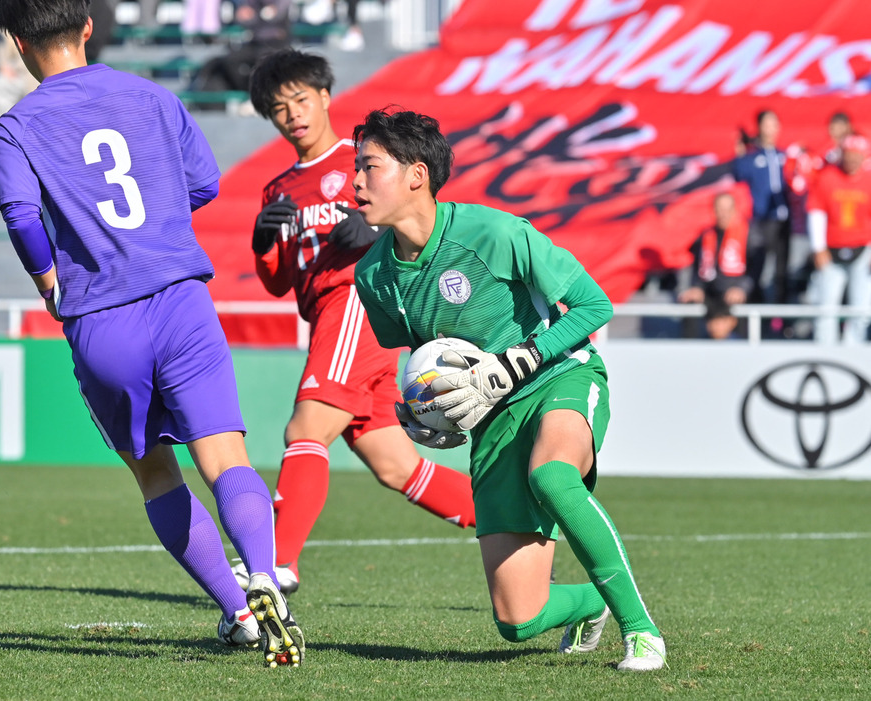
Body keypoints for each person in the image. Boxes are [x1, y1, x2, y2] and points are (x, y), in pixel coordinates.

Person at [0, 0, 303, 668]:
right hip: (181, 299)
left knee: (158, 473)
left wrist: (49, 281)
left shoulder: (15, 127)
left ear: (18, 41)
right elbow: (204, 184)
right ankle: (268, 575)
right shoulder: (153, 96)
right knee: (228, 460)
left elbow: (20, 215)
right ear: (89, 27)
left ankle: (239, 613)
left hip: (103, 317)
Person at [353, 108, 666, 672]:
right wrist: (423, 411)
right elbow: (421, 358)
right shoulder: (372, 275)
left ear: (416, 176)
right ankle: (592, 600)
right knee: (518, 621)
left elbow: (595, 306)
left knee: (552, 475)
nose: (355, 182)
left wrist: (518, 360)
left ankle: (641, 631)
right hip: (491, 418)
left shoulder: (495, 232)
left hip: (558, 375)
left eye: (368, 168)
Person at [235, 50, 477, 595]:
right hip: (324, 316)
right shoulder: (278, 190)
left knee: (305, 430)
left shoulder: (364, 160)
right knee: (396, 467)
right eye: (278, 108)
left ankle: (277, 565)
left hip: (356, 305)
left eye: (300, 99)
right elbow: (278, 283)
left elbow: (422, 218)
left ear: (324, 97)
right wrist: (262, 244)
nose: (292, 113)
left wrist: (378, 232)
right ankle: (516, 524)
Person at [807, 134, 871, 344]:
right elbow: (816, 212)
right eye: (849, 155)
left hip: (862, 250)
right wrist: (818, 248)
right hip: (831, 251)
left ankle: (853, 350)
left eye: (856, 156)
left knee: (861, 307)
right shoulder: (827, 177)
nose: (852, 161)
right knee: (826, 307)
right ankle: (826, 350)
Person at [732, 110, 792, 324]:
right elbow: (737, 175)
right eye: (767, 124)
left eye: (775, 124)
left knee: (783, 271)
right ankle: (758, 318)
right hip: (762, 220)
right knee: (760, 269)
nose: (772, 128)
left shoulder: (785, 156)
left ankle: (781, 321)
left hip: (785, 219)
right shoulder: (751, 157)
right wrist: (741, 153)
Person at [676, 192, 752, 340]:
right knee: (690, 301)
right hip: (711, 292)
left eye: (727, 209)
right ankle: (688, 350)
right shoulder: (706, 235)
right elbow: (698, 268)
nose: (723, 214)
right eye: (719, 210)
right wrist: (695, 288)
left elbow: (755, 271)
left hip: (735, 291)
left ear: (734, 210)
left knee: (737, 302)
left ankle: (743, 347)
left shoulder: (750, 234)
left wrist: (742, 288)